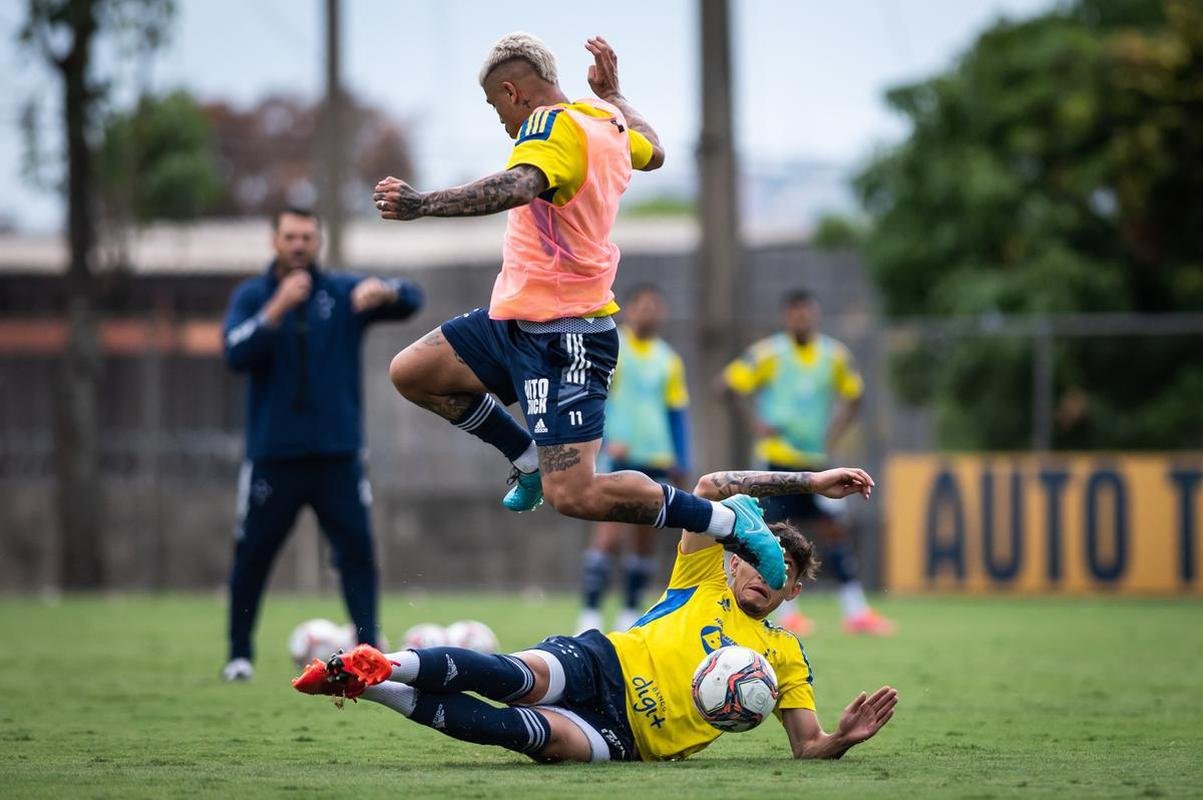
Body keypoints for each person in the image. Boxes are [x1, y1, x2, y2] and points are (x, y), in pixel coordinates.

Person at [376, 33, 787, 592]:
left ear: (511, 90)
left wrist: (424, 204)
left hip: (565, 336)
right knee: (412, 372)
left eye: (496, 106)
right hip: (513, 321)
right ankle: (523, 457)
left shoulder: (549, 126)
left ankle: (726, 520)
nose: (501, 121)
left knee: (577, 495)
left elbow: (519, 185)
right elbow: (655, 149)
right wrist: (616, 94)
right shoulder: (603, 119)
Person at [293, 467, 898, 764]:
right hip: (605, 663)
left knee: (515, 732)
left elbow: (805, 746)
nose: (765, 580)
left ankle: (373, 689)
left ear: (793, 594)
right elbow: (712, 485)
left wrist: (841, 739)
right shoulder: (702, 573)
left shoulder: (785, 655)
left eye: (783, 579)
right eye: (760, 564)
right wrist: (811, 481)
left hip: (629, 740)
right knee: (515, 679)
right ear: (737, 560)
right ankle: (384, 662)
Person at [220, 207, 424, 681]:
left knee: (357, 553)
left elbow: (413, 299)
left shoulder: (340, 292)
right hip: (274, 457)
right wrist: (276, 310)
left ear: (319, 241)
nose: (298, 245)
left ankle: (369, 650)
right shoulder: (254, 296)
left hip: (338, 456)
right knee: (253, 555)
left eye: (307, 237)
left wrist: (387, 290)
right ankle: (239, 654)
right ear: (274, 240)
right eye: (290, 236)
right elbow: (234, 351)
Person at [722, 290, 895, 636]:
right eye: (794, 313)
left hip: (816, 463)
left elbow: (854, 396)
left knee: (835, 533)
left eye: (806, 313)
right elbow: (727, 385)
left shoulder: (833, 355)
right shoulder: (770, 353)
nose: (801, 319)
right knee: (775, 537)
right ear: (786, 317)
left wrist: (833, 433)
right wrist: (756, 423)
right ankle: (788, 616)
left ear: (815, 314)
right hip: (775, 462)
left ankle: (856, 611)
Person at [578, 284, 690, 634]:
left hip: (656, 456)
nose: (649, 312)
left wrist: (682, 459)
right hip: (619, 456)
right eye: (643, 306)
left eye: (655, 307)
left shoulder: (668, 358)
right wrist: (605, 440)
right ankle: (591, 614)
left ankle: (630, 612)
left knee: (644, 537)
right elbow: (591, 395)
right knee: (609, 535)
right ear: (629, 310)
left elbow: (676, 413)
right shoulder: (614, 347)